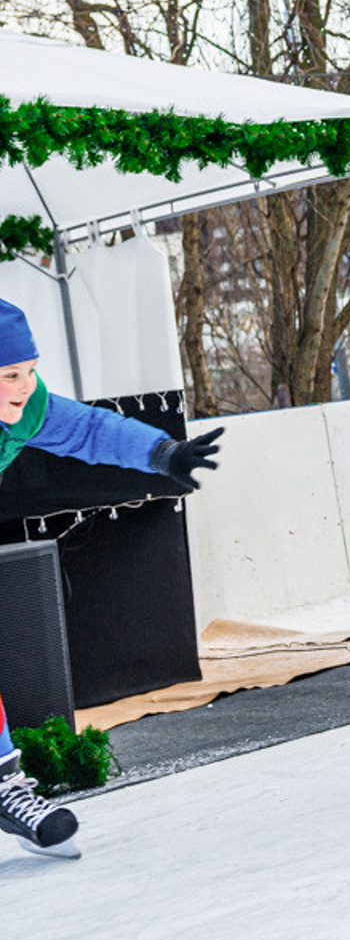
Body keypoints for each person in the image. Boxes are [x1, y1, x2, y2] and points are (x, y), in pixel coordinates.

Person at [0, 298, 221, 858]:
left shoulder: (29, 408)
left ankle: (4, 785)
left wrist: (162, 452)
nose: (24, 386)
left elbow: (88, 430)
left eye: (29, 371)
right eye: (9, 376)